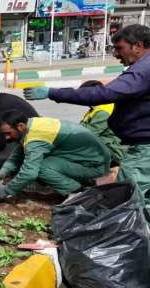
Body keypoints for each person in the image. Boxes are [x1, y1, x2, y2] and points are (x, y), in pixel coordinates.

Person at [23, 24, 150, 213]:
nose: (116, 54)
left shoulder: (144, 69)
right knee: (137, 196)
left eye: (119, 48)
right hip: (139, 146)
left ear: (138, 45)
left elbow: (105, 93)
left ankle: (134, 238)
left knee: (130, 196)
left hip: (144, 148)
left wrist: (52, 92)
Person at [0, 111, 111, 200]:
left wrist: (7, 190)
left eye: (8, 133)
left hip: (95, 165)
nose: (6, 138)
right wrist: (1, 174)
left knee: (41, 168)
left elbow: (29, 173)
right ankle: (74, 184)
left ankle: (77, 192)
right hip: (88, 158)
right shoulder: (33, 125)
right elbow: (18, 154)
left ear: (20, 127)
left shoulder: (35, 139)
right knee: (35, 161)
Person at [78, 80, 126, 166]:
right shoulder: (96, 108)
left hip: (114, 152)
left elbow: (88, 134)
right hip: (107, 147)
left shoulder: (104, 111)